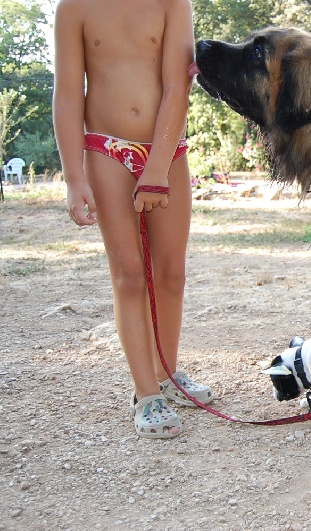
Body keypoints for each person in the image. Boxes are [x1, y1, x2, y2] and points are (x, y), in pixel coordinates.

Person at [53, 0, 214, 439]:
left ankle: (167, 374)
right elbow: (68, 93)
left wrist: (158, 168)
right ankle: (146, 394)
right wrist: (72, 176)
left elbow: (177, 86)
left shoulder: (172, 3)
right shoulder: (74, 8)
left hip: (165, 150)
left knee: (172, 274)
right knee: (128, 274)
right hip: (105, 149)